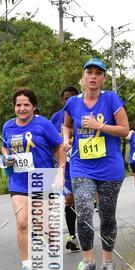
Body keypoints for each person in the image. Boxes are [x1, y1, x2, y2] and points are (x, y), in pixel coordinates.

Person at [63, 58, 130, 270]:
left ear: (103, 78)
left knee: (107, 216)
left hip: (109, 166)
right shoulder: (73, 102)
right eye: (89, 72)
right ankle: (88, 261)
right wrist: (66, 139)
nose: (93, 76)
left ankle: (107, 262)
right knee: (83, 212)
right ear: (83, 77)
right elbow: (67, 125)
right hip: (82, 166)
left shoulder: (111, 99)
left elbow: (124, 130)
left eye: (98, 73)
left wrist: (99, 126)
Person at [1, 88, 66, 270]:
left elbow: (59, 146)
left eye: (26, 105)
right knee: (22, 222)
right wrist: (6, 157)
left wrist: (60, 171)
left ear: (34, 106)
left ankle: (52, 253)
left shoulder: (43, 124)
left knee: (42, 225)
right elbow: (4, 146)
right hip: (18, 181)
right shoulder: (8, 126)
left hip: (42, 179)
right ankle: (27, 267)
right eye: (18, 105)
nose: (22, 108)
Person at [50, 86, 79, 252]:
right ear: (62, 100)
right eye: (66, 98)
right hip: (65, 164)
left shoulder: (83, 112)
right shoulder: (55, 118)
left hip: (83, 162)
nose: (69, 100)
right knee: (69, 200)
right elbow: (52, 141)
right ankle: (72, 237)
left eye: (72, 97)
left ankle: (84, 234)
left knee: (82, 200)